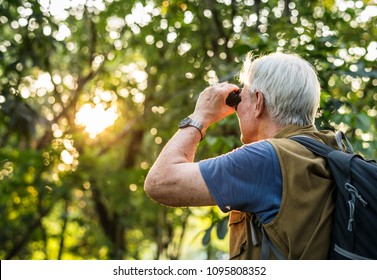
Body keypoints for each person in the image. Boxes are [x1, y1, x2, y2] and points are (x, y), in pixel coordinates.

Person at [144, 52, 338, 259]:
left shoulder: (265, 159)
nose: (236, 110)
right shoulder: (331, 149)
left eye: (240, 99)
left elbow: (160, 182)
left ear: (258, 102)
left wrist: (201, 115)